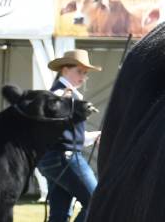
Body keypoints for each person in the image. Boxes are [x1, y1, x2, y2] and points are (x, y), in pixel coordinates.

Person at [36, 49, 102, 222]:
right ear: (65, 70)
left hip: (52, 160)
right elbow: (49, 111)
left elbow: (69, 136)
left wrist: (95, 135)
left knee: (59, 214)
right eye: (79, 71)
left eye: (85, 73)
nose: (83, 76)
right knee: (98, 202)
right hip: (66, 159)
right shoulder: (61, 94)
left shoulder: (66, 94)